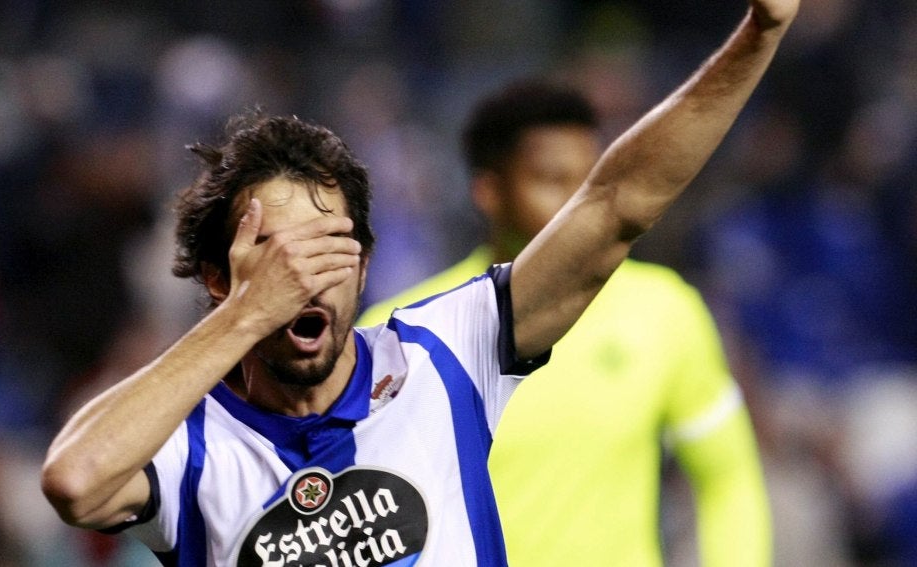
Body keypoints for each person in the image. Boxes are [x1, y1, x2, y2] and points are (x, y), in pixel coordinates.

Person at [40, 2, 798, 565]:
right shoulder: (195, 445)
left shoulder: (443, 352)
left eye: (328, 246)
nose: (304, 276)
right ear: (218, 278)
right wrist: (242, 317)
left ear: (366, 263)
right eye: (273, 253)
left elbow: (615, 204)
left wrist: (759, 32)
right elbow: (75, 480)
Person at [358, 78, 772, 565]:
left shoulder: (663, 309)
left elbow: (728, 477)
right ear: (489, 191)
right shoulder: (401, 329)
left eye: (591, 182)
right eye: (553, 180)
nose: (581, 205)